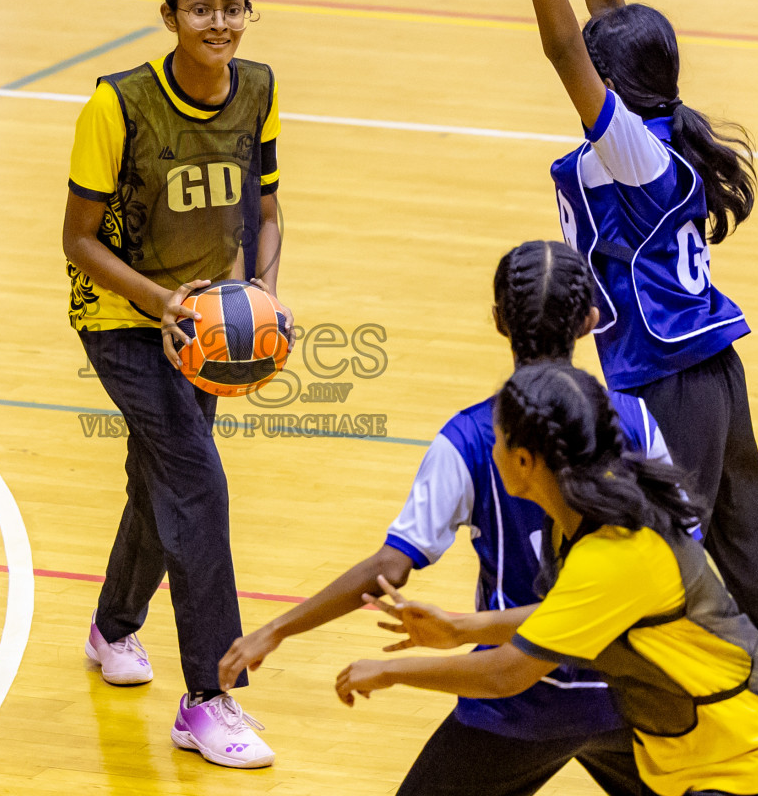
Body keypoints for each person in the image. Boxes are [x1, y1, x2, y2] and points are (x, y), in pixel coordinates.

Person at [487, 0, 758, 676]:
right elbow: (610, 14)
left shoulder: (630, 155)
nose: (586, 67)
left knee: (663, 554)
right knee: (744, 546)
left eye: (597, 70)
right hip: (712, 370)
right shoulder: (657, 120)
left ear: (613, 85)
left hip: (666, 377)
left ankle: (676, 704)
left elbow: (564, 43)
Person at [219, 240, 675, 796]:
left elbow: (389, 566)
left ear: (499, 321)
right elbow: (678, 554)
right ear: (589, 321)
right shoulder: (637, 420)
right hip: (629, 696)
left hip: (518, 702)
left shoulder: (474, 437)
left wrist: (275, 629)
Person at [335, 363, 758, 796]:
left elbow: (507, 675)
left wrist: (390, 671)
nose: (490, 445)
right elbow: (572, 612)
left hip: (746, 761)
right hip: (716, 751)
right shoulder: (589, 512)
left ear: (525, 461)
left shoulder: (615, 550)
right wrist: (462, 629)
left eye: (497, 438)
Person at [61, 0, 286, 769]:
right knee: (197, 480)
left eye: (232, 6)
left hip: (207, 324)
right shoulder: (116, 106)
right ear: (170, 18)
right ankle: (208, 697)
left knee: (159, 478)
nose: (218, 22)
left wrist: (256, 292)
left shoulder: (257, 89)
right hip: (123, 319)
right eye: (200, 7)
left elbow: (264, 209)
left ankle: (112, 627)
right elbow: (78, 240)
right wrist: (169, 307)